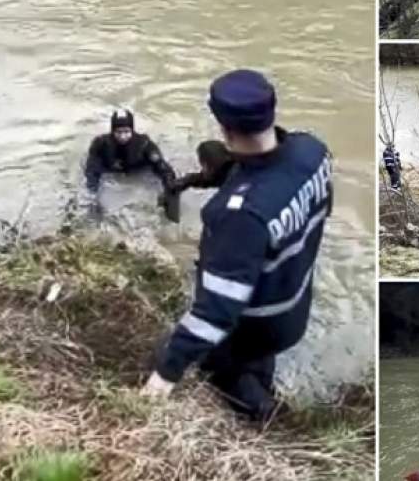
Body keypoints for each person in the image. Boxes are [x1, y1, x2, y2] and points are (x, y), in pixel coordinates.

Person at [142, 69, 333, 424]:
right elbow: (317, 214)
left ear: (224, 127)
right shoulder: (314, 153)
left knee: (213, 364)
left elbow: (216, 311)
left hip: (254, 323)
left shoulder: (237, 214)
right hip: (293, 306)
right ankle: (263, 388)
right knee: (258, 359)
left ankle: (266, 420)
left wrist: (164, 375)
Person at [84, 109, 176, 197]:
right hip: (111, 174)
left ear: (132, 130)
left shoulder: (144, 144)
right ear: (112, 131)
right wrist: (92, 194)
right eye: (118, 132)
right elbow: (92, 171)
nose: (123, 136)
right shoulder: (101, 145)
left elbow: (162, 166)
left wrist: (169, 183)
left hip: (139, 172)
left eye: (126, 131)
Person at [170, 140, 234, 193]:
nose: (203, 170)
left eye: (203, 165)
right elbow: (207, 179)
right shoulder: (225, 169)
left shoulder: (232, 178)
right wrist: (188, 180)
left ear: (208, 164)